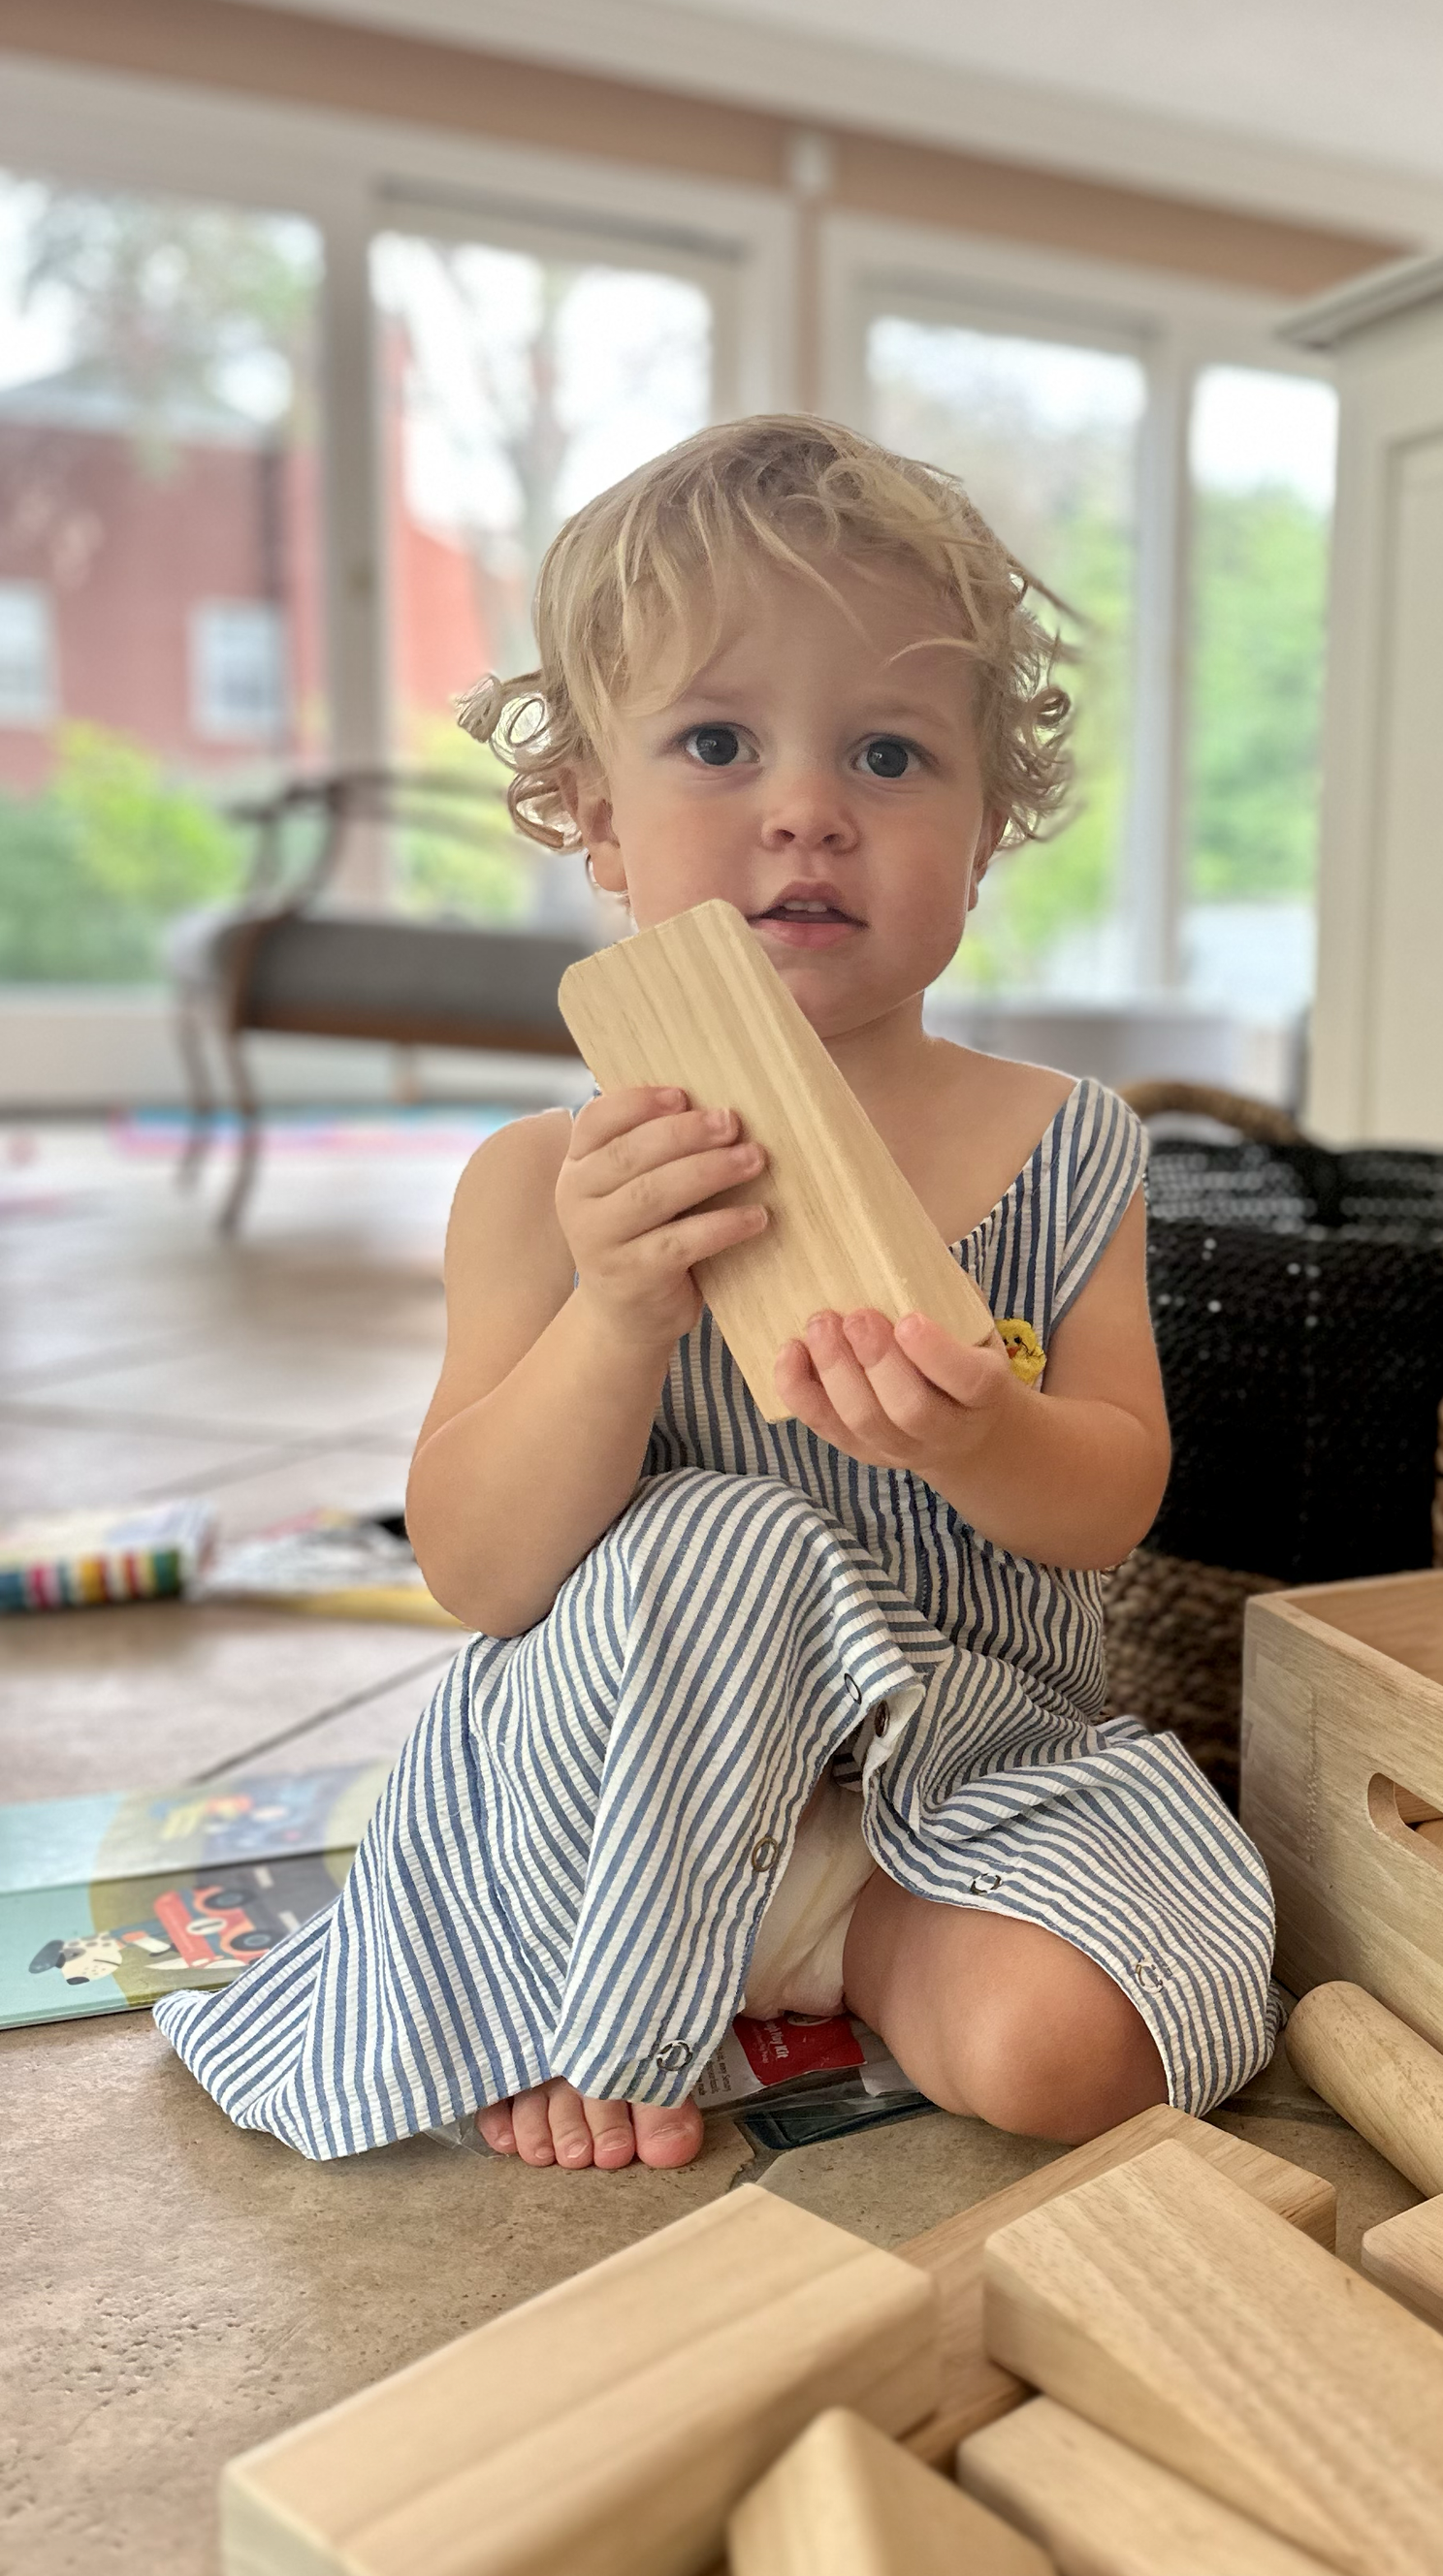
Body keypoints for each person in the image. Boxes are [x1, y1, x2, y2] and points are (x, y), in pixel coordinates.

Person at [155, 416, 1278, 2169]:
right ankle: (589, 1978)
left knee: (1085, 2057)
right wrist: (615, 1318)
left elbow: (1107, 1507)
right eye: (717, 743)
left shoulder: (1068, 1146)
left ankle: (822, 1958)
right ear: (598, 820)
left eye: (893, 754)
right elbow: (478, 1569)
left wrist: (987, 1436)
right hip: (610, 1800)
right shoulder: (546, 1185)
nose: (808, 809)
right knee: (724, 1537)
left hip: (954, 1784)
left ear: (988, 830)